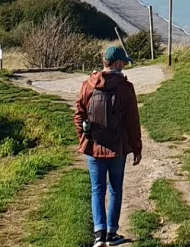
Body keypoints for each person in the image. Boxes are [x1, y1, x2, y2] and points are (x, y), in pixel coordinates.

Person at [75, 46, 142, 247]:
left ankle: (99, 234)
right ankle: (112, 233)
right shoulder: (126, 88)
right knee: (115, 189)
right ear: (118, 63)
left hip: (93, 146)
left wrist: (84, 137)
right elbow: (133, 122)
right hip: (118, 147)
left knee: (97, 189)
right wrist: (136, 148)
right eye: (124, 62)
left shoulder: (88, 84)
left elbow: (78, 115)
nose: (124, 65)